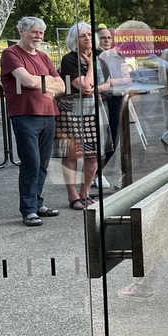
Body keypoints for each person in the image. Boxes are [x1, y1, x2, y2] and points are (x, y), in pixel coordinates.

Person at [0, 17, 66, 226]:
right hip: (25, 115)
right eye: (35, 32)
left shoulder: (44, 57)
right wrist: (47, 82)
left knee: (43, 164)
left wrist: (38, 82)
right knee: (31, 163)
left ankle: (37, 203)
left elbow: (62, 86)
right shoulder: (10, 54)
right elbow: (26, 80)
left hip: (48, 114)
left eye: (41, 33)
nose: (39, 36)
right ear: (21, 31)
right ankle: (28, 210)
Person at [56, 22, 110, 211]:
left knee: (93, 156)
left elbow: (107, 84)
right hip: (72, 110)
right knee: (72, 154)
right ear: (74, 40)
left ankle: (85, 192)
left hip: (93, 110)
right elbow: (85, 86)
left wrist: (93, 88)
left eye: (89, 34)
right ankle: (72, 194)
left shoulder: (100, 58)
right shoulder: (69, 59)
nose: (87, 38)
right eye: (82, 35)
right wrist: (90, 67)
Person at [96, 26, 131, 187]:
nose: (107, 40)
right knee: (103, 140)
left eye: (109, 37)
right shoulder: (94, 56)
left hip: (118, 99)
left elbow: (127, 77)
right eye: (103, 37)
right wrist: (119, 81)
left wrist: (118, 81)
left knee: (114, 140)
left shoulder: (117, 56)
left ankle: (96, 172)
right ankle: (96, 173)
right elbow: (101, 82)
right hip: (102, 100)